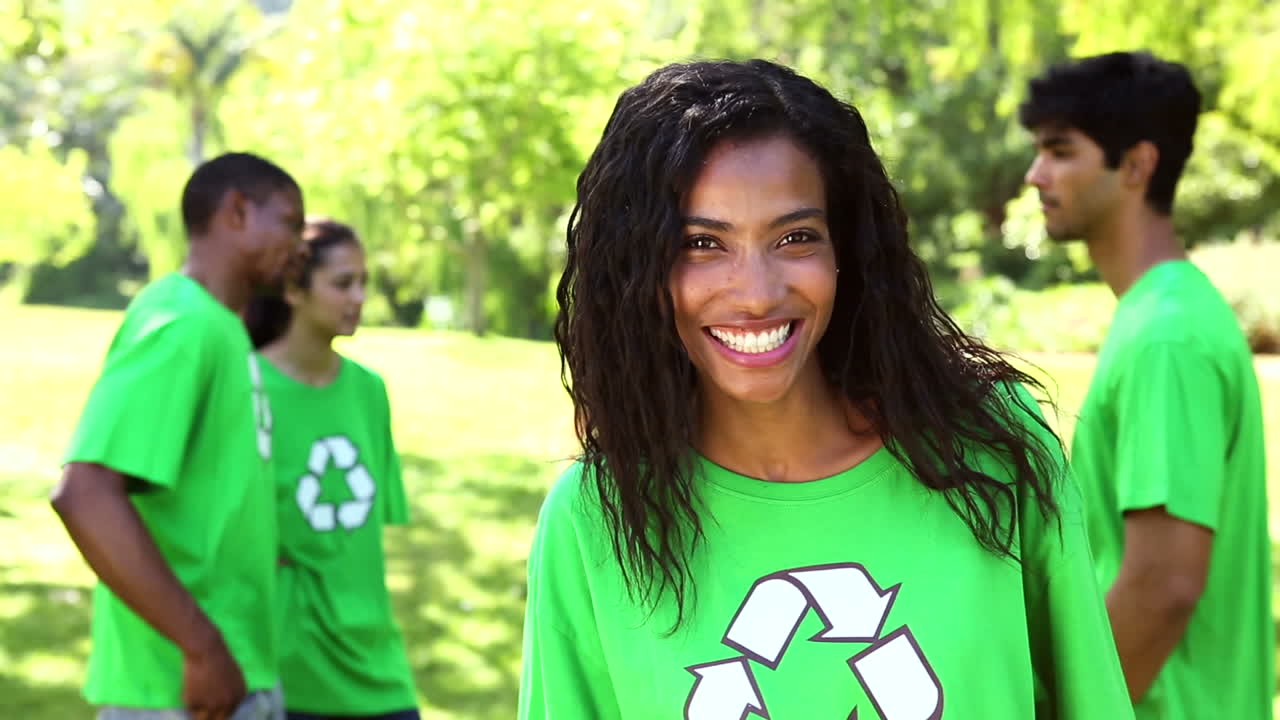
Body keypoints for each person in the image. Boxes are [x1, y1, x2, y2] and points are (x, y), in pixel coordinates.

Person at [518, 58, 1134, 719]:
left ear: (848, 248)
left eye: (795, 237)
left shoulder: (989, 448)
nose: (756, 293)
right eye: (703, 243)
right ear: (638, 268)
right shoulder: (597, 518)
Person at [1020, 51, 1272, 719]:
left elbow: (1164, 584)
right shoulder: (1169, 314)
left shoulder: (1167, 336)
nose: (1034, 174)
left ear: (1137, 164)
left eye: (1059, 151)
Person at [52, 152, 304, 720]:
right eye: (289, 221)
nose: (299, 242)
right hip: (177, 691)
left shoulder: (223, 328)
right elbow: (85, 493)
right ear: (237, 212)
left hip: (239, 677)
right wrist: (202, 645)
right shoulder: (183, 324)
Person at [243, 218, 418, 720]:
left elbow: (365, 538)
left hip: (375, 658)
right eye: (343, 283)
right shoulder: (247, 386)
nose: (358, 296)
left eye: (363, 282)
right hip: (288, 664)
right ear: (294, 290)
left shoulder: (369, 390)